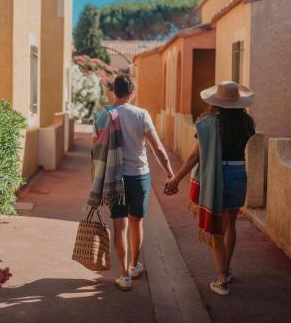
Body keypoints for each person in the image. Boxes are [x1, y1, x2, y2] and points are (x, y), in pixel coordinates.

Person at [164, 81, 255, 296]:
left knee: (215, 226)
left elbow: (195, 156)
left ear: (216, 101)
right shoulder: (247, 122)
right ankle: (227, 269)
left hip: (216, 176)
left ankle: (222, 278)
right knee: (230, 223)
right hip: (238, 173)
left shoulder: (208, 124)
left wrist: (176, 179)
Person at [92, 75, 174, 291]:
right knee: (137, 222)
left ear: (113, 92)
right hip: (139, 176)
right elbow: (157, 148)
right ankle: (134, 265)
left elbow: (97, 151)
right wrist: (170, 173)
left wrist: (96, 179)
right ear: (132, 93)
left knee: (119, 225)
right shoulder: (141, 114)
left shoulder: (103, 115)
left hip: (114, 177)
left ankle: (123, 276)